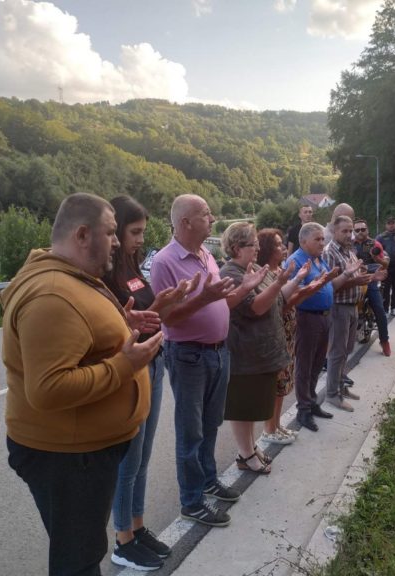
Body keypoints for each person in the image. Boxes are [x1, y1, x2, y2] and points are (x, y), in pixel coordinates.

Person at [2, 193, 164, 576]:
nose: (116, 241)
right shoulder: (53, 295)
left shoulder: (73, 278)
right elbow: (48, 388)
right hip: (69, 458)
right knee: (78, 561)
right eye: (110, 232)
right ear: (81, 234)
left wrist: (123, 326)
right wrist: (125, 364)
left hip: (81, 453)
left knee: (82, 550)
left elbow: (84, 342)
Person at [103, 195, 194, 571]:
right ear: (116, 230)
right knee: (128, 460)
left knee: (142, 457)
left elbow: (148, 316)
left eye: (142, 232)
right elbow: (118, 329)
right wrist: (158, 308)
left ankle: (137, 527)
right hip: (131, 371)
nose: (141, 238)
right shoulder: (107, 274)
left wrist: (168, 302)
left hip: (152, 365)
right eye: (134, 232)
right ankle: (122, 538)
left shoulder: (134, 267)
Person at [150, 194, 238, 528]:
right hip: (188, 354)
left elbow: (216, 299)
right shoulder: (165, 262)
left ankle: (208, 479)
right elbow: (168, 318)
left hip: (218, 350)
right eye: (205, 214)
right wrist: (205, 298)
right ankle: (192, 501)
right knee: (190, 430)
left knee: (211, 422)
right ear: (185, 221)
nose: (212, 218)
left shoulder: (206, 254)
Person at [219, 222, 304, 472]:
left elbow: (279, 298)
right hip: (246, 356)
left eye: (257, 243)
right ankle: (245, 455)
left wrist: (294, 279)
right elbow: (255, 307)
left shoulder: (254, 268)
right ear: (236, 248)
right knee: (244, 408)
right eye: (252, 244)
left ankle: (250, 449)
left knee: (253, 406)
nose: (257, 248)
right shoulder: (231, 274)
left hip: (262, 353)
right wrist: (279, 283)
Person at [286, 222, 361, 432]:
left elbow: (330, 286)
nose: (322, 242)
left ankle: (311, 403)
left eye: (322, 238)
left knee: (318, 364)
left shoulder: (317, 260)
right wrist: (315, 285)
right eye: (317, 239)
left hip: (323, 317)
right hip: (306, 318)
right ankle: (303, 410)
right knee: (304, 366)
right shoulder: (295, 261)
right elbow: (291, 294)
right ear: (303, 241)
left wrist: (346, 274)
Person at [256, 228, 323, 445]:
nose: (284, 248)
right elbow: (280, 306)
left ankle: (276, 425)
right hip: (277, 334)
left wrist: (305, 284)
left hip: (288, 332)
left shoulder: (281, 270)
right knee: (276, 384)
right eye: (277, 245)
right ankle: (269, 428)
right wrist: (307, 288)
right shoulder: (264, 274)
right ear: (266, 249)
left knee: (283, 384)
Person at [322, 216, 378, 412]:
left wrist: (370, 276)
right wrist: (355, 281)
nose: (349, 235)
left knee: (346, 350)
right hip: (338, 308)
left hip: (353, 306)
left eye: (350, 231)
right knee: (337, 353)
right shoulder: (330, 253)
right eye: (344, 231)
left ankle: (340, 387)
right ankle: (331, 395)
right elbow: (329, 286)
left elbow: (355, 275)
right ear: (334, 231)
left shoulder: (349, 251)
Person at [353, 218, 391, 356]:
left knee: (380, 310)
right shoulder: (350, 245)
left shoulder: (375, 244)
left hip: (371, 280)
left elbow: (385, 265)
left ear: (367, 230)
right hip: (355, 281)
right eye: (357, 230)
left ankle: (384, 341)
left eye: (363, 229)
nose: (360, 232)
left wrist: (376, 259)